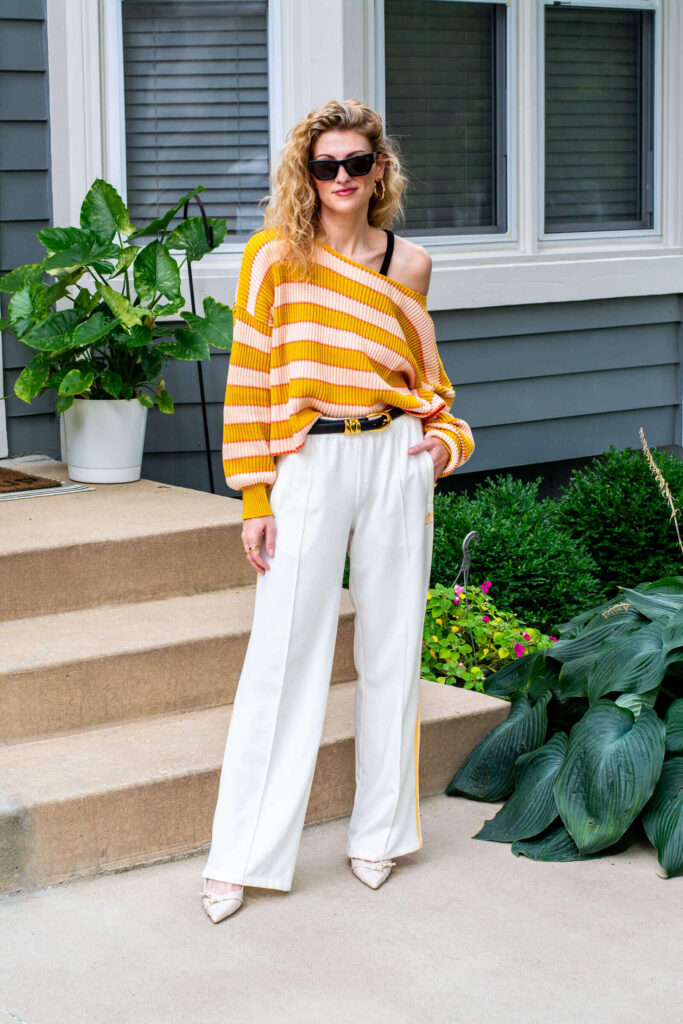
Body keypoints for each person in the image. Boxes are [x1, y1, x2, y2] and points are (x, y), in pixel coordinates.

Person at [200, 98, 475, 923]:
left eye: (358, 163)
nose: (343, 178)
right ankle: (242, 854)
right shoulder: (274, 259)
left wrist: (446, 443)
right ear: (306, 175)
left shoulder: (412, 264)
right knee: (283, 655)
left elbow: (430, 385)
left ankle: (379, 834)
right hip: (306, 462)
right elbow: (249, 383)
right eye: (327, 167)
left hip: (394, 458)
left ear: (379, 170)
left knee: (394, 648)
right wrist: (254, 494)